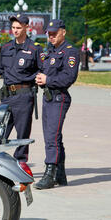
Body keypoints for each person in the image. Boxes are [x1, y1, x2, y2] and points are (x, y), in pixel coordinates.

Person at [34, 19, 80, 189]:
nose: (51, 36)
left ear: (63, 32)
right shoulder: (50, 51)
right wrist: (40, 78)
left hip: (59, 98)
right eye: (49, 33)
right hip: (48, 97)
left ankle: (50, 174)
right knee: (53, 136)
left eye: (54, 33)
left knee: (51, 137)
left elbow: (69, 77)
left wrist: (48, 79)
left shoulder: (70, 52)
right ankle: (60, 174)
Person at [0, 14, 43, 168]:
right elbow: (1, 70)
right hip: (6, 96)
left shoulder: (34, 48)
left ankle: (21, 163)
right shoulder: (6, 47)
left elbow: (42, 70)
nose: (15, 31)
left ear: (26, 28)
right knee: (0, 131)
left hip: (24, 95)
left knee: (22, 133)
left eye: (18, 27)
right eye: (13, 28)